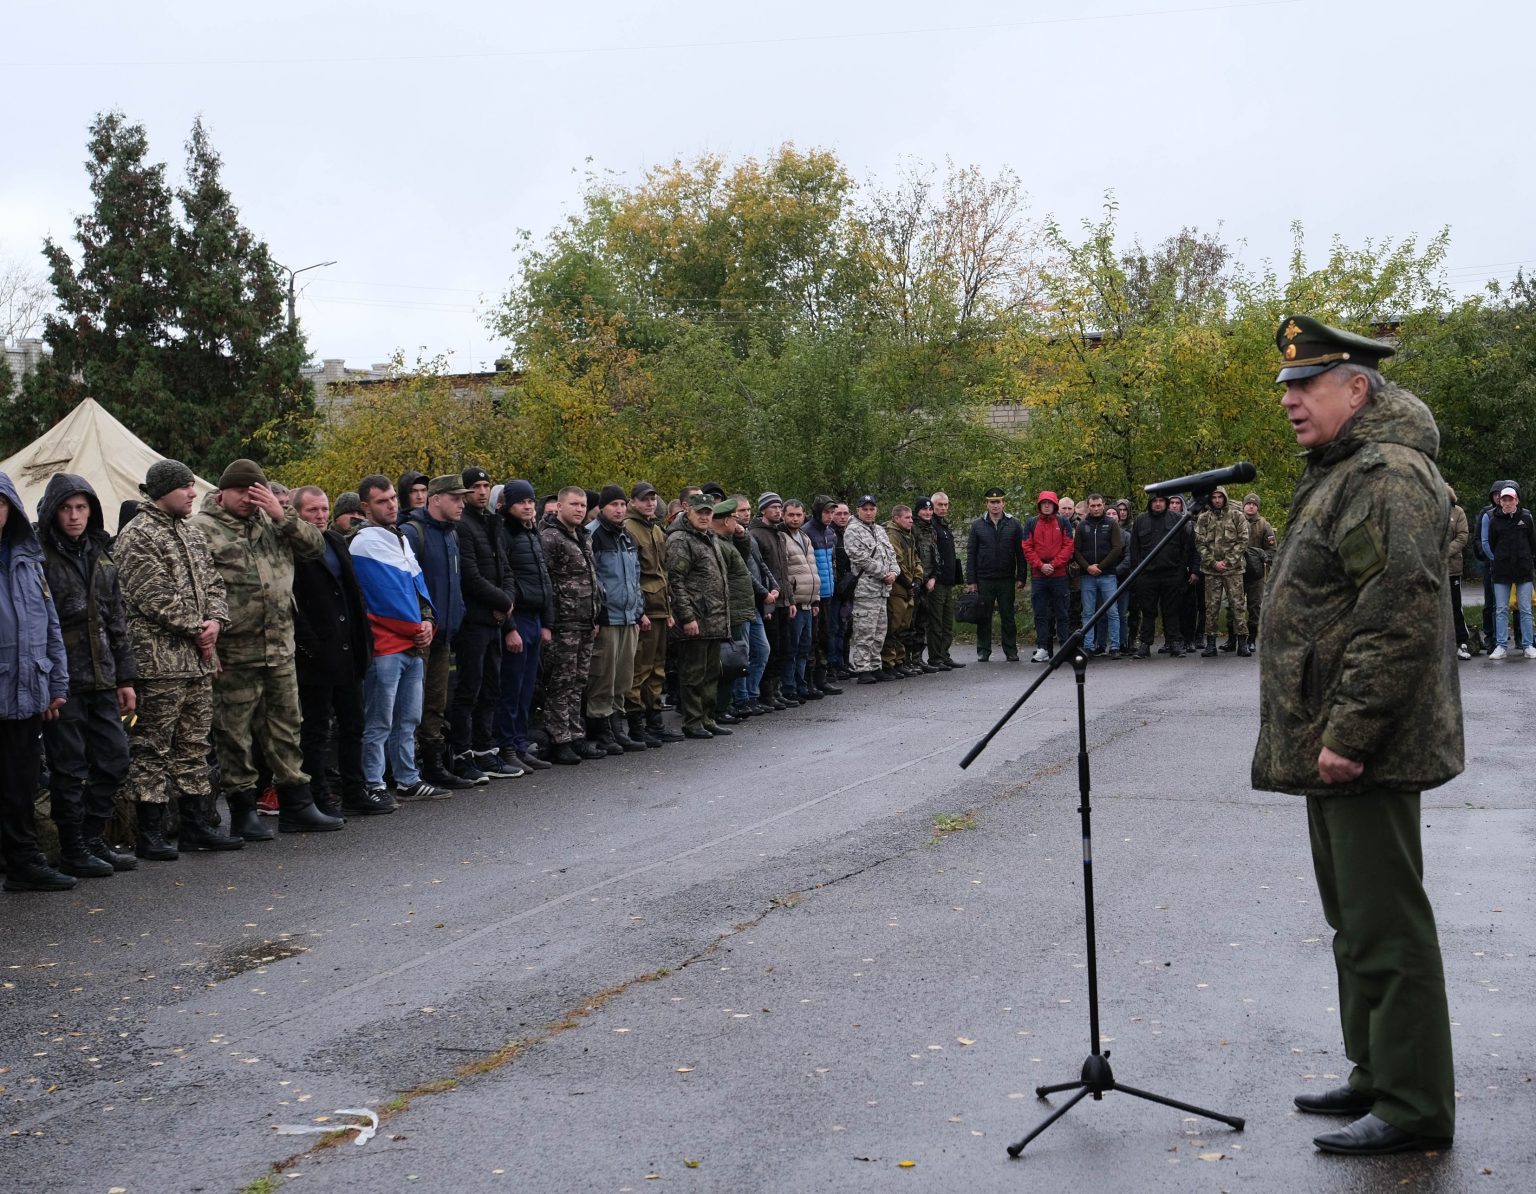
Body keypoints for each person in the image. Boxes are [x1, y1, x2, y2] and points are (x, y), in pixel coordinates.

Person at [1255, 314, 1460, 1156]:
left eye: (1307, 385)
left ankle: (1414, 1104)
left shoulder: (1388, 474)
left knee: (1387, 926)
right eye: (1288, 388)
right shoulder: (1341, 471)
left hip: (1366, 747)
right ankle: (1377, 1071)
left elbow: (1399, 614)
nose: (1291, 401)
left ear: (1357, 388)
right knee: (1355, 921)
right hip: (1332, 740)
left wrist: (1350, 732)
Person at [193, 459, 339, 835]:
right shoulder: (201, 530)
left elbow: (315, 547)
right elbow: (194, 593)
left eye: (254, 492)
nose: (248, 499)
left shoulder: (273, 522)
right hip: (233, 651)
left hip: (279, 647)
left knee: (287, 728)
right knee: (234, 734)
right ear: (222, 493)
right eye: (240, 492)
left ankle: (297, 805)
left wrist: (281, 514)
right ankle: (243, 811)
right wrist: (210, 650)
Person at [113, 461, 232, 859]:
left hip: (197, 662)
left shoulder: (190, 532)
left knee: (194, 745)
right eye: (184, 487)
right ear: (163, 491)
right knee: (152, 747)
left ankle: (196, 824)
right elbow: (154, 596)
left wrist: (216, 621)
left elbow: (214, 582)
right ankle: (150, 832)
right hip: (158, 664)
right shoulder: (138, 535)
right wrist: (199, 629)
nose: (193, 493)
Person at [37, 474, 140, 877]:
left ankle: (92, 836)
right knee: (68, 769)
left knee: (115, 759)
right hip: (62, 682)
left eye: (81, 508)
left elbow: (116, 620)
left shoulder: (101, 552)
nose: (74, 516)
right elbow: (36, 627)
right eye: (66, 508)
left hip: (102, 677)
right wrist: (45, 684)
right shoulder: (39, 556)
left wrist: (125, 679)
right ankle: (73, 847)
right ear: (53, 512)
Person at [1, 473, 75, 892]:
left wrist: (56, 685)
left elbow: (50, 626)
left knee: (21, 785)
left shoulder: (28, 560)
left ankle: (24, 864)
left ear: (11, 508)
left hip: (26, 690)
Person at [349, 475, 442, 808]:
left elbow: (417, 588)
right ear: (366, 506)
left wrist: (428, 622)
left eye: (392, 498)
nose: (391, 505)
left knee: (408, 719)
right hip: (385, 647)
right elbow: (378, 600)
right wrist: (417, 627)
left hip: (412, 644)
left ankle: (407, 778)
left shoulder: (399, 537)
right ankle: (373, 782)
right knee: (379, 721)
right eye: (381, 501)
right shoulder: (361, 543)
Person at [290, 485, 373, 820]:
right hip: (317, 654)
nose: (320, 515)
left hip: (348, 650)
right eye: (312, 510)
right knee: (316, 729)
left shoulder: (337, 541)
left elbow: (354, 593)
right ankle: (320, 794)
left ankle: (355, 790)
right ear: (296, 513)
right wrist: (310, 646)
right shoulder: (294, 548)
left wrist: (363, 639)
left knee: (353, 724)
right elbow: (294, 605)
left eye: (324, 509)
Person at [450, 467, 522, 778]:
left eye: (485, 485)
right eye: (475, 487)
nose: (481, 491)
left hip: (496, 620)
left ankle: (484, 750)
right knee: (469, 689)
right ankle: (462, 754)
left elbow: (505, 570)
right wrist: (503, 602)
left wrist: (507, 604)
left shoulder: (491, 522)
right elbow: (470, 576)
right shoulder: (462, 526)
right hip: (474, 622)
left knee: (491, 688)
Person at [401, 476, 473, 790]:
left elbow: (456, 582)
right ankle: (407, 769)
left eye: (462, 498)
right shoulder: (411, 533)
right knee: (411, 706)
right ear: (436, 499)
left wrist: (458, 614)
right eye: (455, 498)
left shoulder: (451, 534)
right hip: (418, 636)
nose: (462, 504)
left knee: (435, 702)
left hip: (444, 634)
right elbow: (406, 584)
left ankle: (433, 765)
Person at [540, 486, 604, 763]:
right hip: (562, 623)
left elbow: (591, 577)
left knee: (579, 682)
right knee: (561, 683)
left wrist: (594, 616)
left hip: (584, 621)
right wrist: (548, 622)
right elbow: (545, 582)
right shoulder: (550, 537)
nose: (579, 509)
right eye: (574, 504)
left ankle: (576, 735)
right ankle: (559, 738)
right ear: (560, 506)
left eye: (583, 505)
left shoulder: (583, 536)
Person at [495, 480, 556, 770]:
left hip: (534, 618)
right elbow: (503, 580)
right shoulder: (503, 533)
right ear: (508, 505)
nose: (528, 506)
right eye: (521, 502)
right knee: (511, 688)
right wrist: (509, 627)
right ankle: (506, 745)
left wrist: (547, 622)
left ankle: (520, 743)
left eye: (531, 501)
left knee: (526, 689)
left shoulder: (532, 533)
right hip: (516, 618)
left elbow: (544, 579)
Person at [587, 485, 648, 751]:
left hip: (628, 617)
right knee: (603, 676)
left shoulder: (627, 536)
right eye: (614, 505)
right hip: (607, 617)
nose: (619, 509)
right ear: (602, 507)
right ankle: (603, 731)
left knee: (623, 677)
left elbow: (635, 577)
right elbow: (592, 579)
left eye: (622, 504)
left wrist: (639, 610)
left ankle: (617, 726)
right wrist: (596, 615)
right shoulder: (592, 535)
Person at [665, 493, 732, 738]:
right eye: (700, 512)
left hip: (713, 618)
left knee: (711, 673)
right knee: (693, 674)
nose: (704, 517)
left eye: (708, 512)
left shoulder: (709, 537)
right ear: (689, 512)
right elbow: (675, 581)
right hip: (695, 618)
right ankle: (692, 721)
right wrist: (687, 617)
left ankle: (707, 717)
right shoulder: (680, 539)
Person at [625, 482, 677, 746]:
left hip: (660, 606)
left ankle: (654, 722)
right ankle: (636, 725)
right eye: (644, 499)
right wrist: (640, 611)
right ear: (633, 502)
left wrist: (668, 609)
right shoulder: (629, 528)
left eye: (653, 499)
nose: (650, 503)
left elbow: (662, 572)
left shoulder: (656, 529)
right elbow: (632, 575)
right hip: (645, 608)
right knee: (640, 669)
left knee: (657, 668)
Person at [1125, 492, 1191, 658]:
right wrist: (1136, 573)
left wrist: (1182, 571)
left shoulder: (1177, 519)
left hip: (1172, 572)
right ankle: (1145, 644)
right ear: (1150, 503)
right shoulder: (1141, 520)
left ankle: (1174, 642)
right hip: (1147, 574)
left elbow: (1185, 547)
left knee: (1172, 610)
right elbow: (1134, 549)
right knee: (1147, 611)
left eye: (1161, 500)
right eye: (1155, 501)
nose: (1158, 504)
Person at [965, 487, 1024, 661]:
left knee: (1008, 616)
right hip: (984, 578)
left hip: (1006, 578)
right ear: (987, 504)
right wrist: (971, 580)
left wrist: (1021, 577)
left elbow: (1020, 553)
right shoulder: (977, 525)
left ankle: (1011, 650)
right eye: (992, 502)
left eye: (998, 502)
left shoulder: (1014, 524)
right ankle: (983, 650)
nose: (995, 505)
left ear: (1003, 503)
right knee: (983, 616)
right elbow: (971, 553)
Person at [844, 495, 899, 683]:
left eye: (871, 509)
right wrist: (884, 573)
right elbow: (860, 558)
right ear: (858, 510)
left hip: (882, 590)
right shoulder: (852, 530)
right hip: (865, 590)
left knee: (879, 631)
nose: (868, 512)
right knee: (864, 631)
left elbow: (891, 554)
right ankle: (863, 668)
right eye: (865, 509)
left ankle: (875, 666)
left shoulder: (880, 530)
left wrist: (894, 572)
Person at [1194, 486, 1250, 658]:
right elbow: (1199, 543)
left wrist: (1227, 561)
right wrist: (1213, 562)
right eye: (1214, 497)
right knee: (1211, 607)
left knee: (1237, 606)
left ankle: (1242, 642)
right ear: (1210, 499)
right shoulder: (1204, 518)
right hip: (1212, 571)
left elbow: (1243, 540)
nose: (1217, 500)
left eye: (1220, 497)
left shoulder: (1236, 516)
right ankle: (1211, 643)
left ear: (1225, 498)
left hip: (1233, 570)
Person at [1484, 484, 1536, 660]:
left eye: (1510, 499)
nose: (1507, 503)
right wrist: (1500, 560)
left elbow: (1532, 543)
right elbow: (1492, 544)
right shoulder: (1494, 521)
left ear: (1516, 500)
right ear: (1500, 502)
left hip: (1523, 570)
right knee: (1501, 609)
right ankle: (1501, 645)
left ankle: (1528, 645)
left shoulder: (1526, 518)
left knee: (1525, 609)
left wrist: (1528, 561)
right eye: (1504, 500)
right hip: (1501, 571)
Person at [748, 494, 791, 705]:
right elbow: (758, 570)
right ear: (763, 509)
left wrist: (790, 599)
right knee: (770, 648)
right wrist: (765, 601)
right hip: (768, 601)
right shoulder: (755, 534)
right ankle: (766, 692)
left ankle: (776, 689)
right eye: (773, 507)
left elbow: (784, 570)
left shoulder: (780, 534)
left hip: (783, 600)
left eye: (779, 507)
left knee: (782, 647)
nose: (777, 510)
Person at [1021, 491, 1074, 662]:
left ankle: (1064, 647)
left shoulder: (1063, 522)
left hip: (1059, 575)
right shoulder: (1031, 523)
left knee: (1062, 613)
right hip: (1039, 576)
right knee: (1040, 613)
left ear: (1055, 505)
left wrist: (1054, 564)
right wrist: (1040, 565)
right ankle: (1042, 647)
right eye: (1043, 503)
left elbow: (1068, 546)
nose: (1046, 506)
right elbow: (1027, 546)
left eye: (1049, 503)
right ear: (1039, 505)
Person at [778, 499, 821, 700]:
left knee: (804, 647)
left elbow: (812, 569)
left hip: (808, 602)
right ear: (783, 515)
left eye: (798, 515)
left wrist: (816, 600)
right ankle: (789, 687)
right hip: (793, 603)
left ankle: (801, 684)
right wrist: (789, 600)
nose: (795, 518)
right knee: (791, 649)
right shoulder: (781, 537)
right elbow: (783, 573)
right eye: (791, 515)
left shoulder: (805, 537)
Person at [1074, 493, 1123, 658]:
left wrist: (1100, 567)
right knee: (1088, 612)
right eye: (1092, 506)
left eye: (1098, 505)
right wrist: (1088, 567)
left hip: (1107, 575)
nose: (1096, 508)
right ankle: (1088, 646)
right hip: (1087, 575)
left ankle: (1115, 646)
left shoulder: (1111, 524)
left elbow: (1117, 548)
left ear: (1104, 505)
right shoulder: (1082, 526)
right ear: (1088, 506)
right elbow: (1076, 551)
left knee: (1112, 612)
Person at [881, 503, 926, 677]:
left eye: (911, 517)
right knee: (893, 626)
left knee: (904, 627)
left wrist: (918, 579)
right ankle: (888, 662)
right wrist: (909, 583)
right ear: (896, 518)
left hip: (908, 588)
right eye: (907, 518)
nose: (911, 521)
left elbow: (916, 559)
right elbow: (897, 561)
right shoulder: (892, 535)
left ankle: (900, 660)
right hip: (898, 588)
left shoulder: (908, 535)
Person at [1239, 494, 1278, 651]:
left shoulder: (1264, 525)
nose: (1251, 506)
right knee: (1234, 606)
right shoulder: (1236, 521)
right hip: (1237, 571)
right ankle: (1233, 638)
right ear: (1243, 506)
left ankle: (1251, 639)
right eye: (1248, 503)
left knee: (1255, 607)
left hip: (1257, 573)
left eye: (1254, 504)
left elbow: (1272, 550)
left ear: (1258, 507)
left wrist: (1260, 555)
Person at [1445, 487, 1472, 658]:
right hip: (1432, 569)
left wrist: (1443, 552)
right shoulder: (1427, 509)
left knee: (1455, 606)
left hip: (1452, 568)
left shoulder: (1458, 512)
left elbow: (1462, 536)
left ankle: (1462, 642)